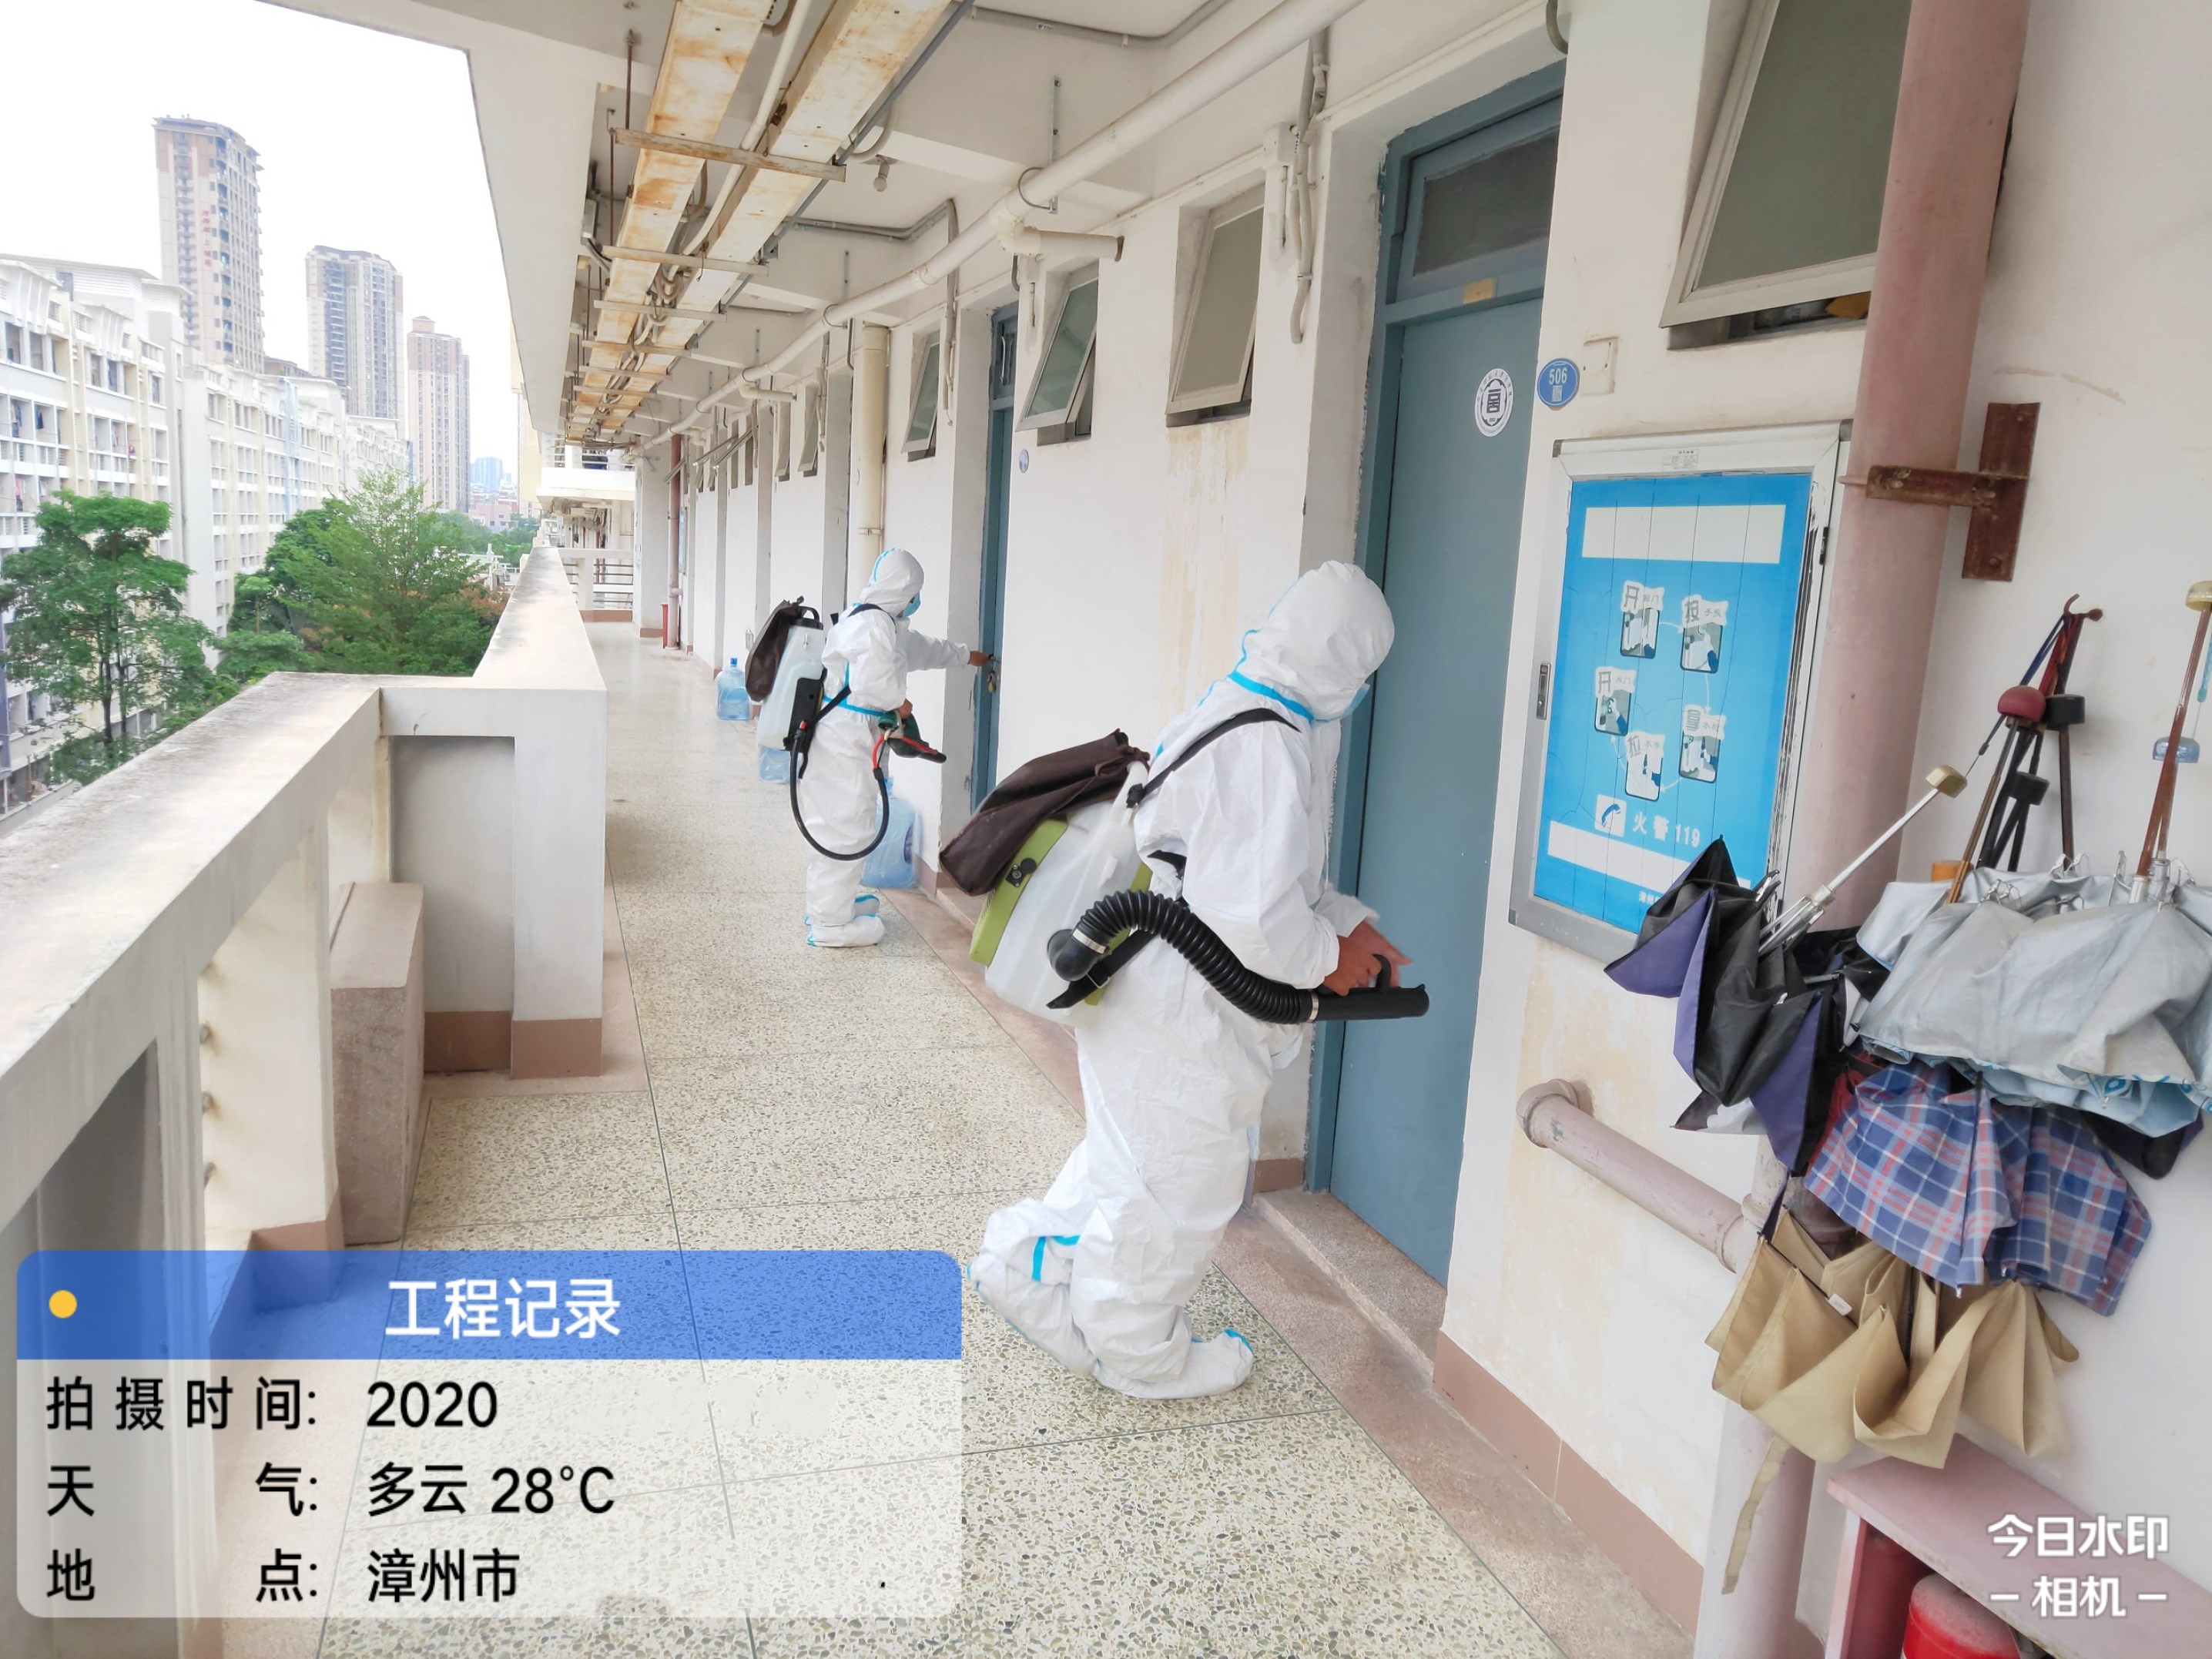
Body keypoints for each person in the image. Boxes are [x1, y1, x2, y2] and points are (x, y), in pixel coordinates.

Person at [970, 561, 1407, 1398]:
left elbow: (1248, 872)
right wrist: (1330, 956)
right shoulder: (1268, 743)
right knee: (1179, 1185)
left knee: (1134, 1160)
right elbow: (1255, 919)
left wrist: (1346, 924)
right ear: (1345, 662)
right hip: (1181, 999)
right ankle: (1139, 1355)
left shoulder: (1240, 708)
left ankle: (1024, 1262)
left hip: (1147, 974)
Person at [802, 548, 988, 947]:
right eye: (914, 593)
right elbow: (873, 684)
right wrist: (899, 702)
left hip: (851, 736)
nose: (916, 601)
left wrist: (966, 656)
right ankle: (829, 923)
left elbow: (919, 649)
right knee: (844, 825)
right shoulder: (872, 626)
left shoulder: (881, 622)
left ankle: (833, 904)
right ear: (904, 589)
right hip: (843, 741)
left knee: (850, 821)